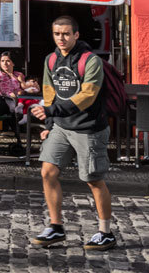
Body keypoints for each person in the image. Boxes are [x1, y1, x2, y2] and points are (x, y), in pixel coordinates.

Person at [30, 15, 117, 251]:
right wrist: (49, 124)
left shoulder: (90, 61)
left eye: (66, 34)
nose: (61, 38)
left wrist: (52, 109)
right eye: (57, 34)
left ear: (76, 35)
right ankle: (56, 227)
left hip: (88, 128)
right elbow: (49, 93)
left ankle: (105, 232)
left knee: (93, 179)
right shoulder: (51, 60)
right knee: (47, 171)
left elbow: (87, 96)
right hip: (61, 126)